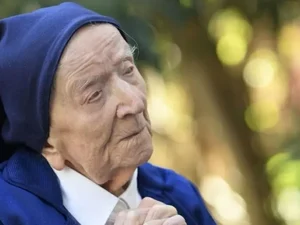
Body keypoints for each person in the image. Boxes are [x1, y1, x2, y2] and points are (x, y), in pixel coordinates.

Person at [0, 2, 216, 225]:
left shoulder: (179, 194)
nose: (134, 102)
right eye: (94, 94)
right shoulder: (8, 214)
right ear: (47, 143)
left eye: (128, 70)